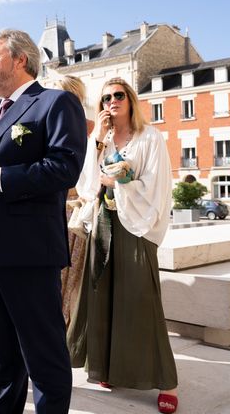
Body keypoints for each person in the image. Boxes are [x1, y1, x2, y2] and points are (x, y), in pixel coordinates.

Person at [0, 29, 86, 413]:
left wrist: (1, 178)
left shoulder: (55, 103)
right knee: (0, 348)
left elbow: (65, 168)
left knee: (43, 350)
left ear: (20, 59)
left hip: (29, 251)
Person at [67, 77, 179, 414]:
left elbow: (157, 184)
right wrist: (98, 142)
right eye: (105, 98)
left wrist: (122, 181)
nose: (112, 102)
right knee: (102, 296)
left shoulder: (150, 137)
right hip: (105, 221)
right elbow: (85, 183)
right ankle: (106, 368)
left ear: (130, 99)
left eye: (118, 95)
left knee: (142, 301)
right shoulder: (98, 138)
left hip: (136, 225)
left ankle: (167, 380)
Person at [57, 75, 95, 327]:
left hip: (75, 209)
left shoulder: (91, 127)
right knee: (67, 276)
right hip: (63, 207)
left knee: (70, 275)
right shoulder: (87, 126)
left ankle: (65, 329)